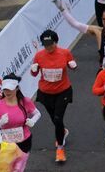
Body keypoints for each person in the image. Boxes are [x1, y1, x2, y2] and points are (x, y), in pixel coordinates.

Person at [29, 29, 76, 162]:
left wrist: (73, 65)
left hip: (63, 91)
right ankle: (63, 132)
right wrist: (33, 70)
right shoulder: (39, 56)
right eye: (46, 45)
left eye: (51, 44)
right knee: (54, 119)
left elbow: (72, 66)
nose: (48, 47)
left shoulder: (64, 53)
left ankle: (60, 149)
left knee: (57, 118)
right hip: (45, 93)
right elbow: (34, 74)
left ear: (56, 42)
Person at [0, 74, 39, 170]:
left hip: (24, 141)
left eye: (10, 89)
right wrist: (0, 123)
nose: (7, 92)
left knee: (19, 167)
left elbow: (37, 113)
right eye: (5, 89)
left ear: (17, 88)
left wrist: (33, 121)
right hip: (6, 144)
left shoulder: (25, 101)